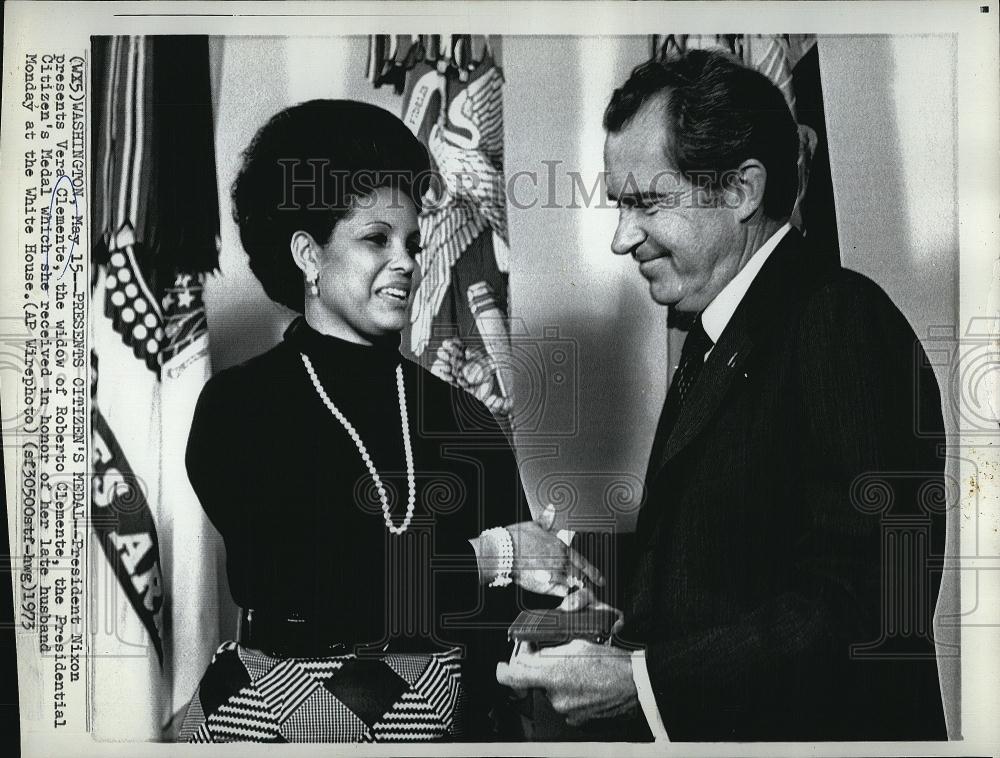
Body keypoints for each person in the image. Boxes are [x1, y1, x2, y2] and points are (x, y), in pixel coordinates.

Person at [498, 49, 948, 741]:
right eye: (621, 206)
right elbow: (736, 583)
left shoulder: (838, 320)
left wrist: (643, 683)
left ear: (740, 191)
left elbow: (870, 605)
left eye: (647, 203)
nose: (622, 238)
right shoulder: (717, 338)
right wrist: (622, 635)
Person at [178, 99, 599, 743]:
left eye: (413, 243)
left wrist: (565, 610)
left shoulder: (463, 416)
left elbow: (496, 626)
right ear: (307, 254)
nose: (405, 261)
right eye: (376, 239)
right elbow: (307, 583)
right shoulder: (241, 407)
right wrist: (499, 553)